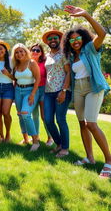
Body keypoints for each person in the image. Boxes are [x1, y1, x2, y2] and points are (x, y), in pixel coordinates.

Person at [62, 5, 111, 178]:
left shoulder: (90, 49)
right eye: (71, 39)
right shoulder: (71, 56)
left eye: (78, 38)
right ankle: (90, 157)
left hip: (93, 87)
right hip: (79, 89)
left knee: (91, 123)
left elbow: (103, 34)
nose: (75, 41)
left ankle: (109, 161)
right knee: (82, 123)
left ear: (83, 38)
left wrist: (86, 15)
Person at [42, 28, 71, 158]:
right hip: (48, 92)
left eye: (55, 38)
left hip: (61, 91)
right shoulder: (47, 56)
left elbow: (69, 72)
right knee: (48, 120)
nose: (53, 40)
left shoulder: (64, 54)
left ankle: (65, 148)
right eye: (50, 39)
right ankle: (58, 144)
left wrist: (64, 90)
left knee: (60, 119)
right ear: (47, 42)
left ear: (59, 40)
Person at [12, 43, 41, 151]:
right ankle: (25, 139)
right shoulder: (16, 65)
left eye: (21, 51)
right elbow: (15, 79)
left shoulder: (31, 63)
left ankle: (35, 141)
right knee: (20, 115)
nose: (19, 54)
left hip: (30, 90)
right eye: (16, 52)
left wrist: (33, 94)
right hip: (18, 91)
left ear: (25, 51)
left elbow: (38, 78)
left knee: (25, 113)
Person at [30, 44, 53, 146]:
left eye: (38, 50)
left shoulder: (45, 62)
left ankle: (50, 137)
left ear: (41, 52)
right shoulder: (27, 63)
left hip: (43, 90)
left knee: (44, 116)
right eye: (33, 50)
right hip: (32, 90)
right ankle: (36, 137)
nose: (35, 52)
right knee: (34, 115)